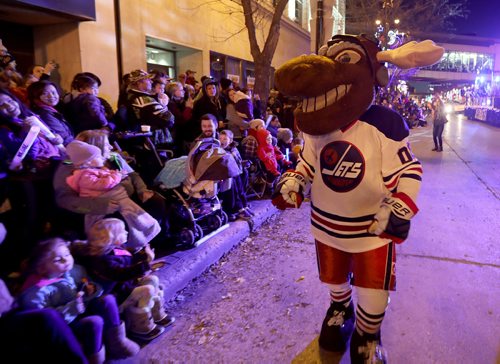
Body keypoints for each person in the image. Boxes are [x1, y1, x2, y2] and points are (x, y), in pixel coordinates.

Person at [272, 34, 441, 362]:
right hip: (327, 226)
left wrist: (400, 205)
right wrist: (295, 180)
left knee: (373, 292)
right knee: (334, 279)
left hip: (371, 233)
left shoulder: (384, 124)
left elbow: (408, 171)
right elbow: (308, 163)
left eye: (345, 59)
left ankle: (367, 332)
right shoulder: (317, 126)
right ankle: (339, 308)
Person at [16, 238, 140, 361]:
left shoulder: (75, 270)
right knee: (94, 322)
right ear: (42, 269)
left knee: (107, 300)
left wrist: (91, 288)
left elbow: (87, 284)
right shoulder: (36, 291)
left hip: (83, 307)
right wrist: (74, 306)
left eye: (67, 254)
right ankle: (95, 358)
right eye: (58, 260)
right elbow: (46, 321)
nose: (66, 260)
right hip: (68, 324)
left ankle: (117, 342)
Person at [77, 218, 174, 342]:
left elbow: (129, 260)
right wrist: (146, 263)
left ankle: (156, 315)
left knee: (153, 280)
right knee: (147, 290)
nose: (127, 232)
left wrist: (144, 256)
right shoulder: (100, 260)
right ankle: (140, 326)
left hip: (127, 287)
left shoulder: (116, 249)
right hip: (118, 294)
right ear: (110, 237)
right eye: (122, 231)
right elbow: (120, 273)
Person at [64, 140, 161, 250]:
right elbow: (103, 184)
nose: (110, 147)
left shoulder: (103, 165)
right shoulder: (84, 175)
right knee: (132, 219)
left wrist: (120, 176)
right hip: (103, 202)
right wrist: (116, 176)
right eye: (98, 156)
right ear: (88, 161)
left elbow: (129, 175)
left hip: (119, 197)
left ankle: (144, 236)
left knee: (146, 211)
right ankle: (136, 242)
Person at [218, 130, 253, 221]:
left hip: (236, 171)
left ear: (230, 140)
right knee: (234, 180)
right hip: (224, 175)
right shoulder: (220, 151)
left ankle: (243, 205)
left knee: (243, 174)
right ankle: (239, 207)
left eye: (225, 139)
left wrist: (243, 164)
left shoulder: (233, 149)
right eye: (220, 138)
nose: (222, 141)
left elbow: (237, 161)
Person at [27, 80, 74, 145]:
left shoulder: (50, 109)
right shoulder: (45, 114)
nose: (51, 96)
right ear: (35, 97)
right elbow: (65, 137)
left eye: (54, 92)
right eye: (45, 93)